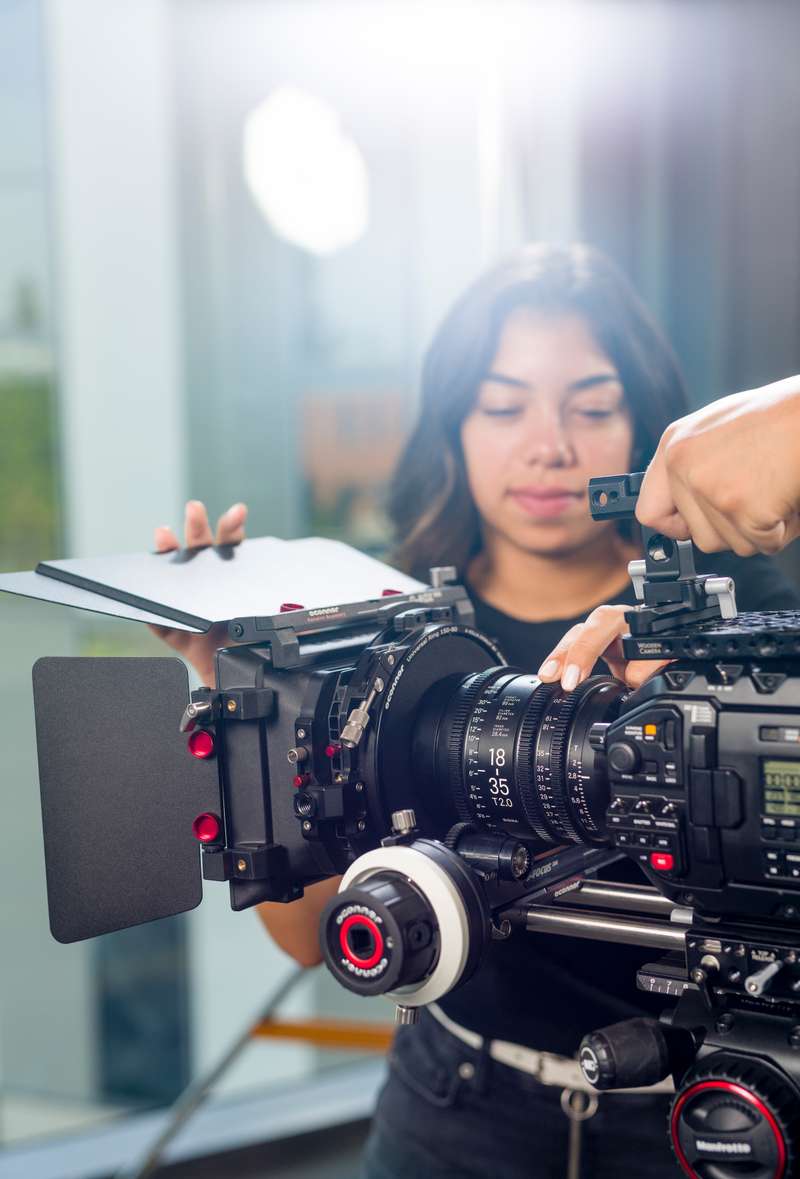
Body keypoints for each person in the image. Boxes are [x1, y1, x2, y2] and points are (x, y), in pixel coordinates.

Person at [151, 244, 800, 1177]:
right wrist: (241, 697)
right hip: (455, 1102)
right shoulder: (385, 626)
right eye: (502, 406)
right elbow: (307, 939)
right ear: (453, 425)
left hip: (701, 1106)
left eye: (591, 405)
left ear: (646, 426)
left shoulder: (728, 604)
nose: (549, 444)